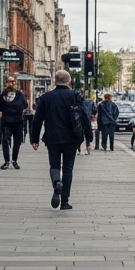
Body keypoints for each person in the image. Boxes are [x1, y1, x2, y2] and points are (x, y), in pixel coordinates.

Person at [30, 70, 92, 209]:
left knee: (54, 165)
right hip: (71, 138)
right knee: (68, 169)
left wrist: (35, 139)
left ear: (55, 81)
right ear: (68, 81)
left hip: (53, 138)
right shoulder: (75, 96)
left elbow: (37, 119)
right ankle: (64, 201)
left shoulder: (46, 97)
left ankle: (57, 183)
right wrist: (89, 138)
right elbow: (84, 117)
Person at [0, 79, 30, 170]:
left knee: (17, 142)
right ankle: (7, 161)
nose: (11, 84)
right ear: (6, 83)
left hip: (18, 121)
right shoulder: (3, 95)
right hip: (6, 122)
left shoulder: (19, 95)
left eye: (12, 82)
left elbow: (25, 105)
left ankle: (14, 160)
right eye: (8, 82)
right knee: (6, 141)